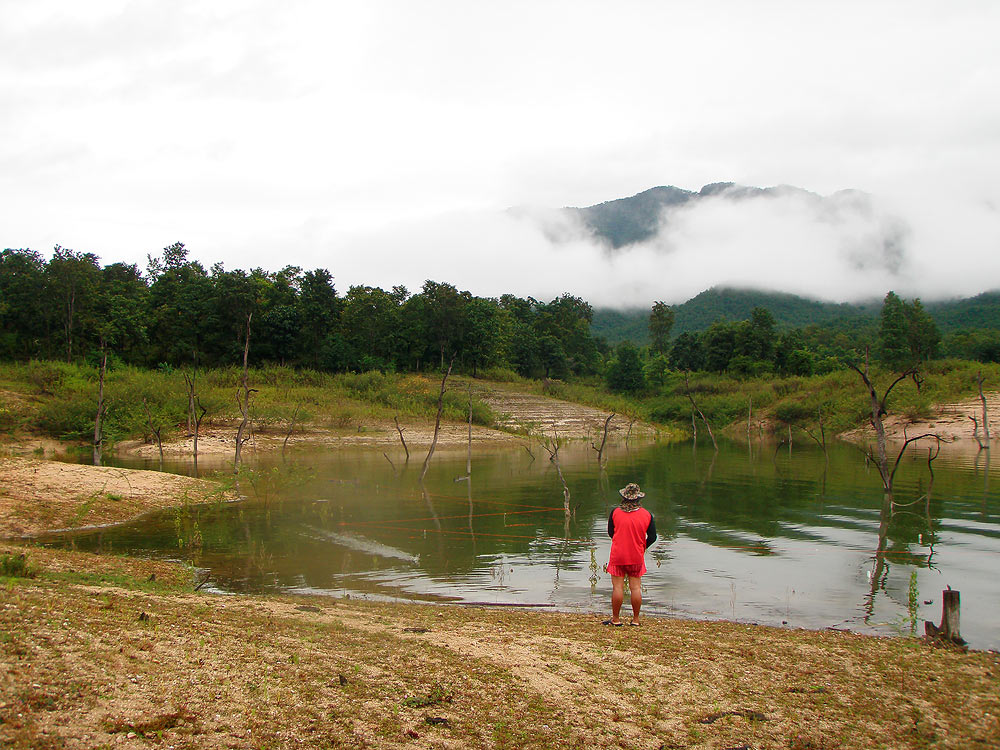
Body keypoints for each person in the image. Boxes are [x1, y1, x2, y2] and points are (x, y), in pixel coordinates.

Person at [603, 482, 656, 626]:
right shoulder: (647, 515)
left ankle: (616, 619)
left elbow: (611, 532)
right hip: (636, 556)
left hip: (618, 555)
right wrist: (642, 547)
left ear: (623, 497)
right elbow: (653, 537)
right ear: (638, 499)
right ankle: (636, 620)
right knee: (636, 588)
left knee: (617, 588)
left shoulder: (615, 512)